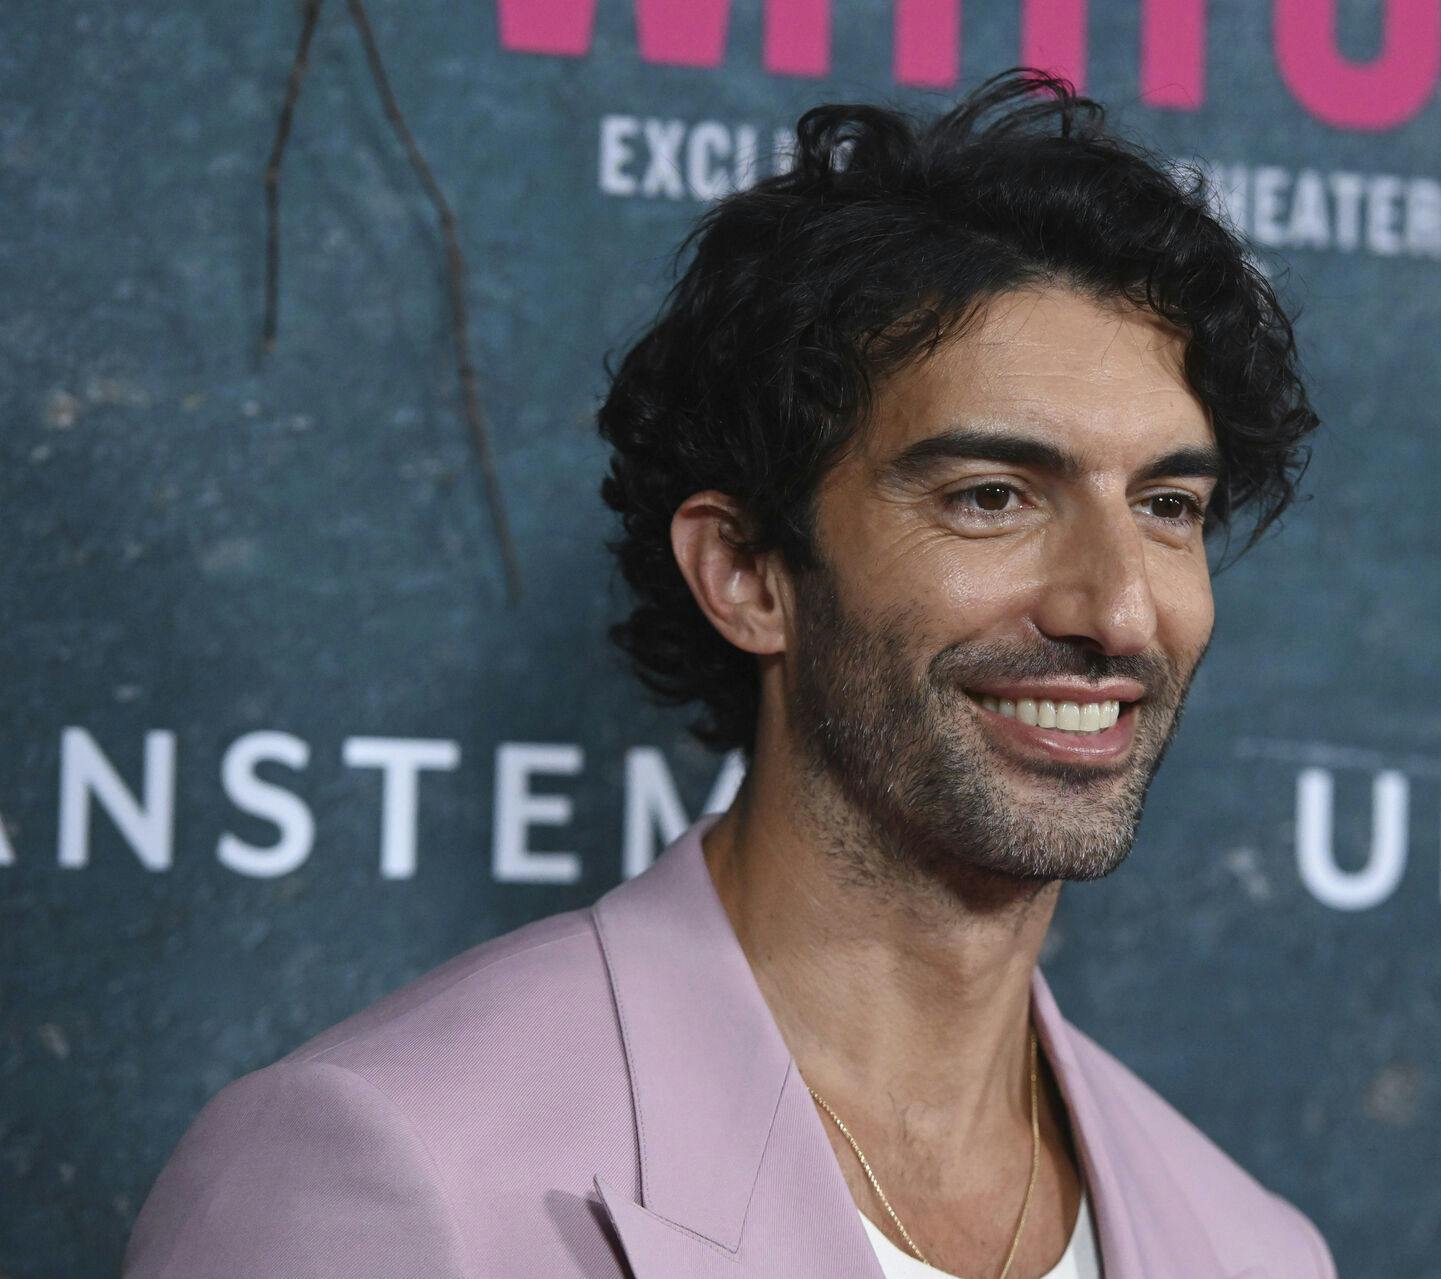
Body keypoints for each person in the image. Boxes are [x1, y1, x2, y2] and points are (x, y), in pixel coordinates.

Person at [125, 69, 1331, 1279]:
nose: (1118, 607)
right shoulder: (388, 1174)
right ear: (749, 571)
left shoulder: (1253, 1251)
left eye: (1168, 506)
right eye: (992, 497)